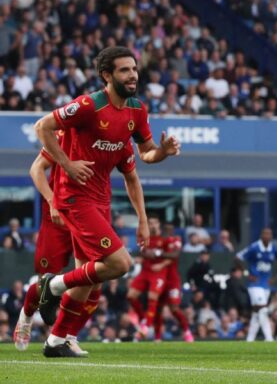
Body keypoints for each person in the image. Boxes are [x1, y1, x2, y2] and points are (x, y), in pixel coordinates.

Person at [33, 46, 181, 357]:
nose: (132, 75)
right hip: (73, 196)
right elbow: (42, 127)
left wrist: (164, 153)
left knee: (89, 278)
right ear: (107, 75)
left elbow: (146, 155)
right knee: (119, 263)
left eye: (134, 69)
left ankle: (57, 340)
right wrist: (68, 164)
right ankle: (52, 286)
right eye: (124, 70)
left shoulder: (137, 111)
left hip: (101, 200)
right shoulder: (88, 105)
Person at [126, 216, 172, 339]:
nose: (152, 225)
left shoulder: (165, 239)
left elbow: (171, 258)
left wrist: (161, 264)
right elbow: (143, 251)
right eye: (150, 223)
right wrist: (143, 256)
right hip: (145, 271)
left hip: (159, 272)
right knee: (131, 296)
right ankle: (143, 318)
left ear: (159, 224)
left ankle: (147, 326)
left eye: (154, 223)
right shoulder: (145, 237)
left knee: (153, 298)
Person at [236, 227, 277, 342]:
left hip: (266, 284)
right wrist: (247, 273)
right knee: (262, 309)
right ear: (261, 236)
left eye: (269, 234)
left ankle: (250, 339)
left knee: (257, 313)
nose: (267, 236)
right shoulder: (254, 247)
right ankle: (269, 338)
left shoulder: (274, 249)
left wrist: (275, 277)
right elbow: (238, 257)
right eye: (265, 234)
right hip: (254, 284)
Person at [153, 221, 193, 342]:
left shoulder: (175, 240)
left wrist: (159, 253)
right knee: (158, 309)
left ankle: (187, 331)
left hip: (172, 280)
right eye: (165, 228)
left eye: (170, 229)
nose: (167, 231)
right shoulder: (157, 241)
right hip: (160, 279)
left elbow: (175, 254)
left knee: (174, 308)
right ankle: (157, 337)